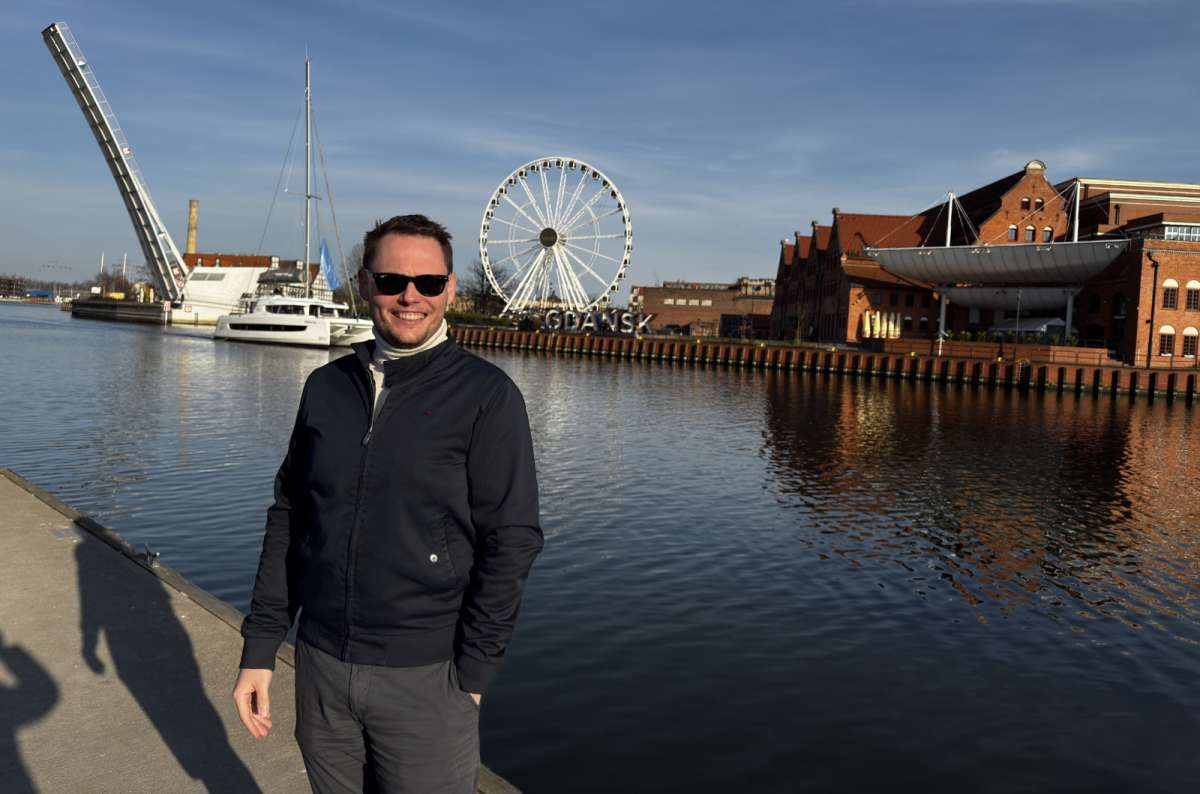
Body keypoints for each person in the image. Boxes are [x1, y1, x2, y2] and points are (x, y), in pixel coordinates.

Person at [233, 214, 543, 793]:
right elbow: (292, 518)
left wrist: (471, 675)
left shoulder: (486, 396)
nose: (410, 296)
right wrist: (260, 646)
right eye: (392, 280)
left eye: (428, 283)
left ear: (450, 289)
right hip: (321, 664)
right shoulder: (325, 388)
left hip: (426, 675)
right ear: (365, 283)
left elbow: (513, 539)